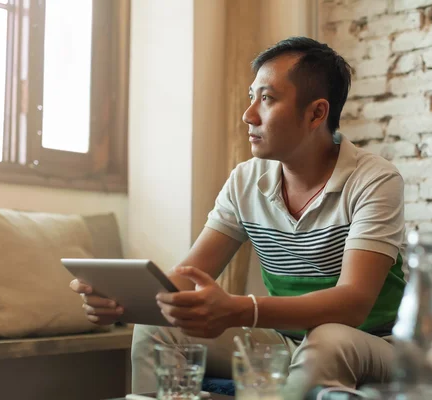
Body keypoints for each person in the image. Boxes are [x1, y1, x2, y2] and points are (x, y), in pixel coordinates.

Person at [70, 36, 406, 397]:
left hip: (375, 346)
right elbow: (188, 278)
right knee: (156, 328)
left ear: (316, 113)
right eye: (251, 98)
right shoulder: (246, 180)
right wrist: (125, 303)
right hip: (286, 342)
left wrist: (241, 309)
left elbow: (353, 305)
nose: (248, 114)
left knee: (331, 337)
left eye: (267, 99)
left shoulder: (374, 179)